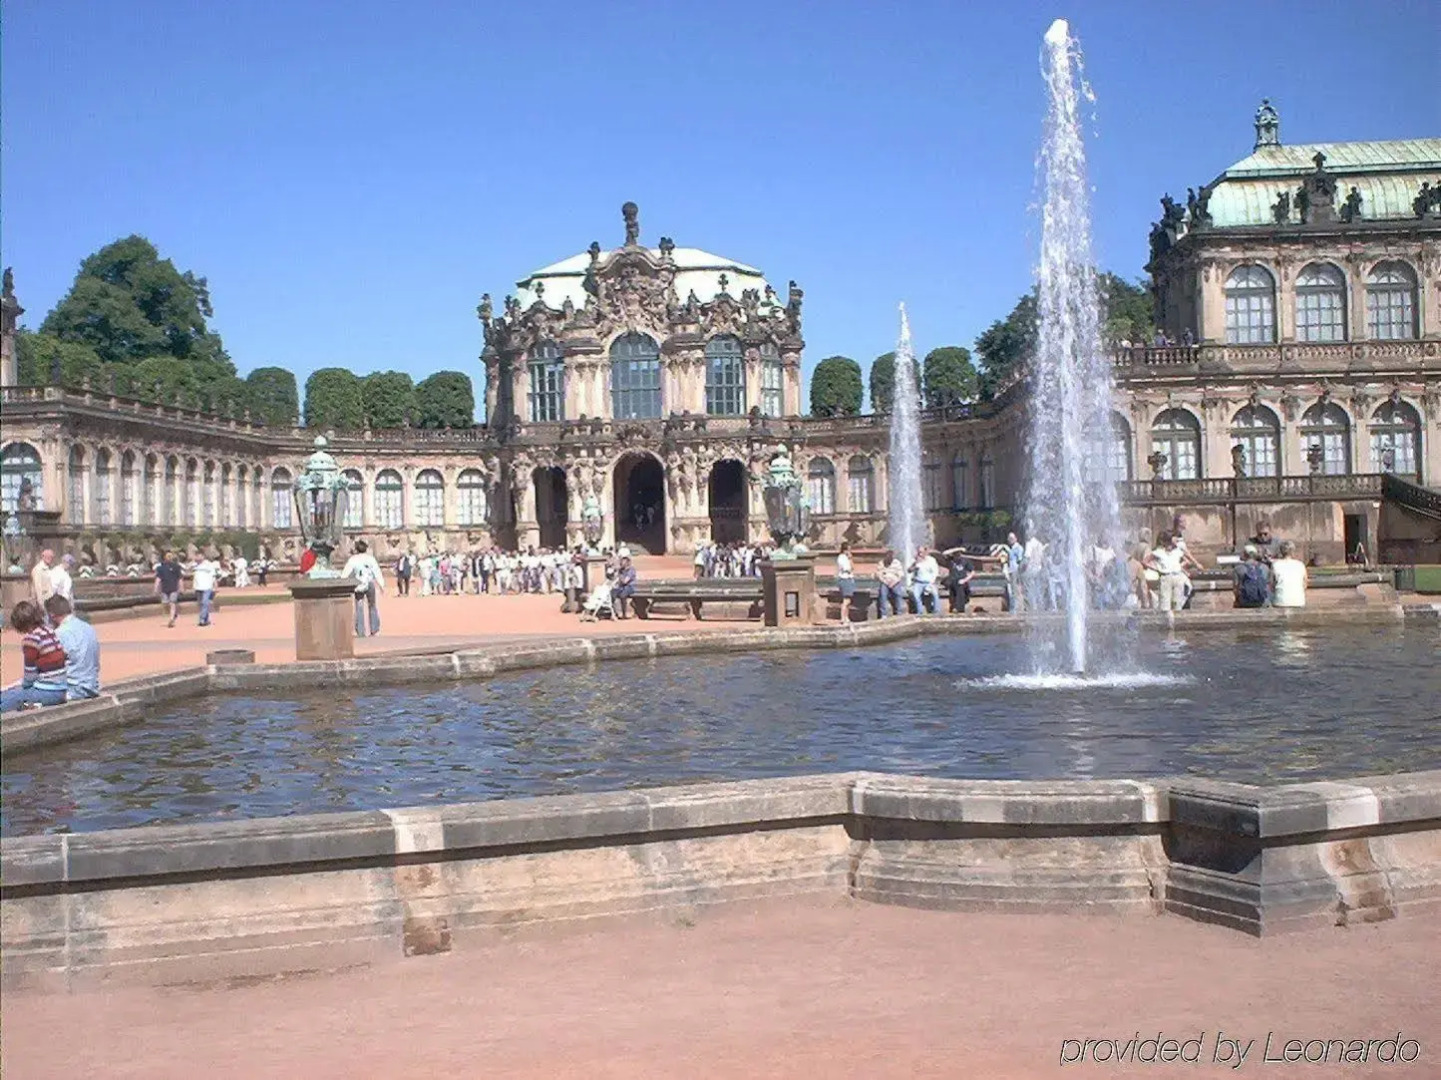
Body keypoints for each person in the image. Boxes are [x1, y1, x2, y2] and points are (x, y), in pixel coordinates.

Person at [1, 600, 68, 713]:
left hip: (46, 692)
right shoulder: (49, 631)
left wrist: (16, 687)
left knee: (5, 700)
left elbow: (29, 678)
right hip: (61, 690)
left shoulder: (31, 640)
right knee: (13, 694)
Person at [45, 594, 100, 701]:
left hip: (73, 690)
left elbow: (49, 670)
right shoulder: (89, 628)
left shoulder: (59, 633)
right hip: (92, 687)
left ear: (51, 615)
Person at [343, 540, 384, 636]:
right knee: (372, 605)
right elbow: (377, 572)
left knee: (359, 607)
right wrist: (381, 584)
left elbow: (346, 572)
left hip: (358, 584)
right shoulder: (371, 559)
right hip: (369, 583)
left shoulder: (353, 559)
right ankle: (374, 629)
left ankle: (360, 631)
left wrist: (342, 580)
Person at [1144, 531, 1189, 611]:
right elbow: (1145, 561)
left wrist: (1179, 566)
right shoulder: (1159, 552)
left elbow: (1187, 561)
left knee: (1177, 602)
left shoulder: (1177, 551)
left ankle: (1176, 620)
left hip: (1177, 576)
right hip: (1165, 576)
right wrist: (1156, 569)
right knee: (1165, 602)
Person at [1271, 540, 1308, 608]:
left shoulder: (1275, 564)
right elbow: (1305, 584)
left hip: (1280, 601)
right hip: (1298, 601)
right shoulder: (1300, 565)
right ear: (1293, 551)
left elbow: (1272, 585)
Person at [155, 550, 183, 627]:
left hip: (173, 588)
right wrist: (156, 587)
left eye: (171, 556)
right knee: (165, 603)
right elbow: (158, 578)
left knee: (172, 603)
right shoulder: (160, 568)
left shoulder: (176, 567)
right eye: (168, 556)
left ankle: (171, 619)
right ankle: (174, 614)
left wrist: (181, 587)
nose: (170, 557)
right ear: (164, 557)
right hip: (164, 589)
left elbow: (180, 578)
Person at [910, 545, 941, 615]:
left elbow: (935, 572)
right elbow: (909, 570)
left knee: (935, 594)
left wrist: (931, 583)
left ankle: (937, 611)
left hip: (929, 582)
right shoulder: (915, 560)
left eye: (921, 552)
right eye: (918, 552)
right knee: (915, 595)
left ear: (925, 552)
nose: (920, 554)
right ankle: (920, 611)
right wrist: (915, 564)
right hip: (918, 582)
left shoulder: (931, 560)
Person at [876, 549, 906, 617]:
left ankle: (899, 613)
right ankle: (883, 614)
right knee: (882, 595)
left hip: (895, 582)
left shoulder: (897, 563)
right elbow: (878, 574)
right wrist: (885, 581)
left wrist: (894, 582)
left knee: (898, 594)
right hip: (885, 582)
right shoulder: (881, 563)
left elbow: (901, 574)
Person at [192, 551, 220, 626]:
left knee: (205, 602)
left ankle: (202, 619)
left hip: (207, 586)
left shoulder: (209, 565)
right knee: (201, 604)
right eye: (196, 556)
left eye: (199, 556)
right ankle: (206, 619)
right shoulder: (194, 565)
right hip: (198, 587)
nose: (197, 558)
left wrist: (215, 586)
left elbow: (213, 576)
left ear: (203, 556)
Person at [1002, 532, 1024, 613]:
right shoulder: (1010, 549)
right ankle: (1013, 607)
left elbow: (1020, 560)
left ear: (1016, 539)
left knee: (1015, 589)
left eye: (1011, 538)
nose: (1010, 540)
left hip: (1015, 570)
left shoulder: (1018, 548)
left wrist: (1019, 571)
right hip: (1010, 570)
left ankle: (1015, 609)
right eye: (1009, 538)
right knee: (1010, 589)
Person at [835, 541, 856, 622]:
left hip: (849, 579)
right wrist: (850, 559)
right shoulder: (842, 558)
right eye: (848, 550)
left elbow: (853, 567)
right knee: (846, 600)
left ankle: (846, 617)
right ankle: (842, 618)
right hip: (845, 579)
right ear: (844, 550)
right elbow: (849, 568)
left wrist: (850, 559)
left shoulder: (846, 558)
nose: (850, 552)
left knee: (848, 600)